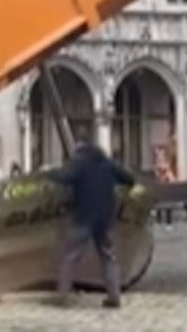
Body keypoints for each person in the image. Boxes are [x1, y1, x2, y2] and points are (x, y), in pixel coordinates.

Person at [45, 130, 140, 310]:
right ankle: (114, 296)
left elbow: (65, 178)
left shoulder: (80, 165)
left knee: (70, 256)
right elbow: (129, 179)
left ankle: (63, 296)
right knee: (108, 257)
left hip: (84, 218)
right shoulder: (108, 164)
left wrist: (48, 174)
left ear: (80, 148)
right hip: (105, 219)